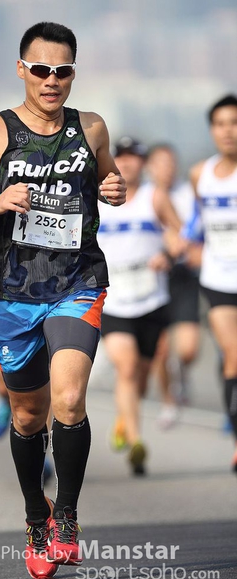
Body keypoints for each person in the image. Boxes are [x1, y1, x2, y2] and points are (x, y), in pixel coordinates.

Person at [0, 21, 126, 579]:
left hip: (77, 281)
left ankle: (67, 516)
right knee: (28, 414)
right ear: (22, 70)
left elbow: (111, 180)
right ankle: (36, 516)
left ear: (73, 73)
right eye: (42, 69)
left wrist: (116, 188)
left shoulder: (91, 127)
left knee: (68, 399)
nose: (52, 80)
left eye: (63, 71)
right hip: (12, 291)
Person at [97, 136, 184, 476]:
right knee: (127, 368)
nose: (128, 163)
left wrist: (168, 255)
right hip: (112, 299)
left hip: (151, 299)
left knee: (141, 378)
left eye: (135, 157)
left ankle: (125, 419)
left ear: (143, 164)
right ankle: (136, 443)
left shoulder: (155, 196)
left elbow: (179, 234)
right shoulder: (98, 199)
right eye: (122, 157)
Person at [189, 94, 237, 474]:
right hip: (218, 279)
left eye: (234, 123)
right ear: (212, 130)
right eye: (220, 124)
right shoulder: (199, 174)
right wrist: (187, 245)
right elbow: (195, 224)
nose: (228, 131)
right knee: (234, 355)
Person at [146, 144, 201, 428]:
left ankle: (182, 374)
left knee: (188, 348)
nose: (167, 169)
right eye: (161, 163)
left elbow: (194, 232)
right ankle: (169, 400)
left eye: (171, 163)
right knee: (161, 349)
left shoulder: (189, 194)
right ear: (150, 167)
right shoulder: (141, 195)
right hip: (152, 279)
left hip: (183, 276)